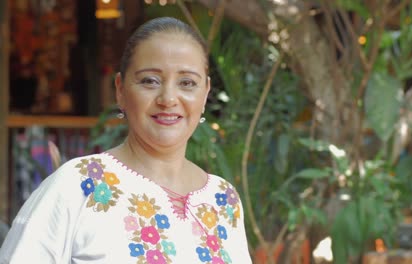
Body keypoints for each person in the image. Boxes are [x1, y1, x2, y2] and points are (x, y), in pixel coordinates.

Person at [0, 17, 252, 263]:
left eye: (187, 83)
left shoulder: (223, 198)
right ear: (120, 90)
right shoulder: (77, 186)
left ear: (205, 93)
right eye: (150, 81)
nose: (168, 98)